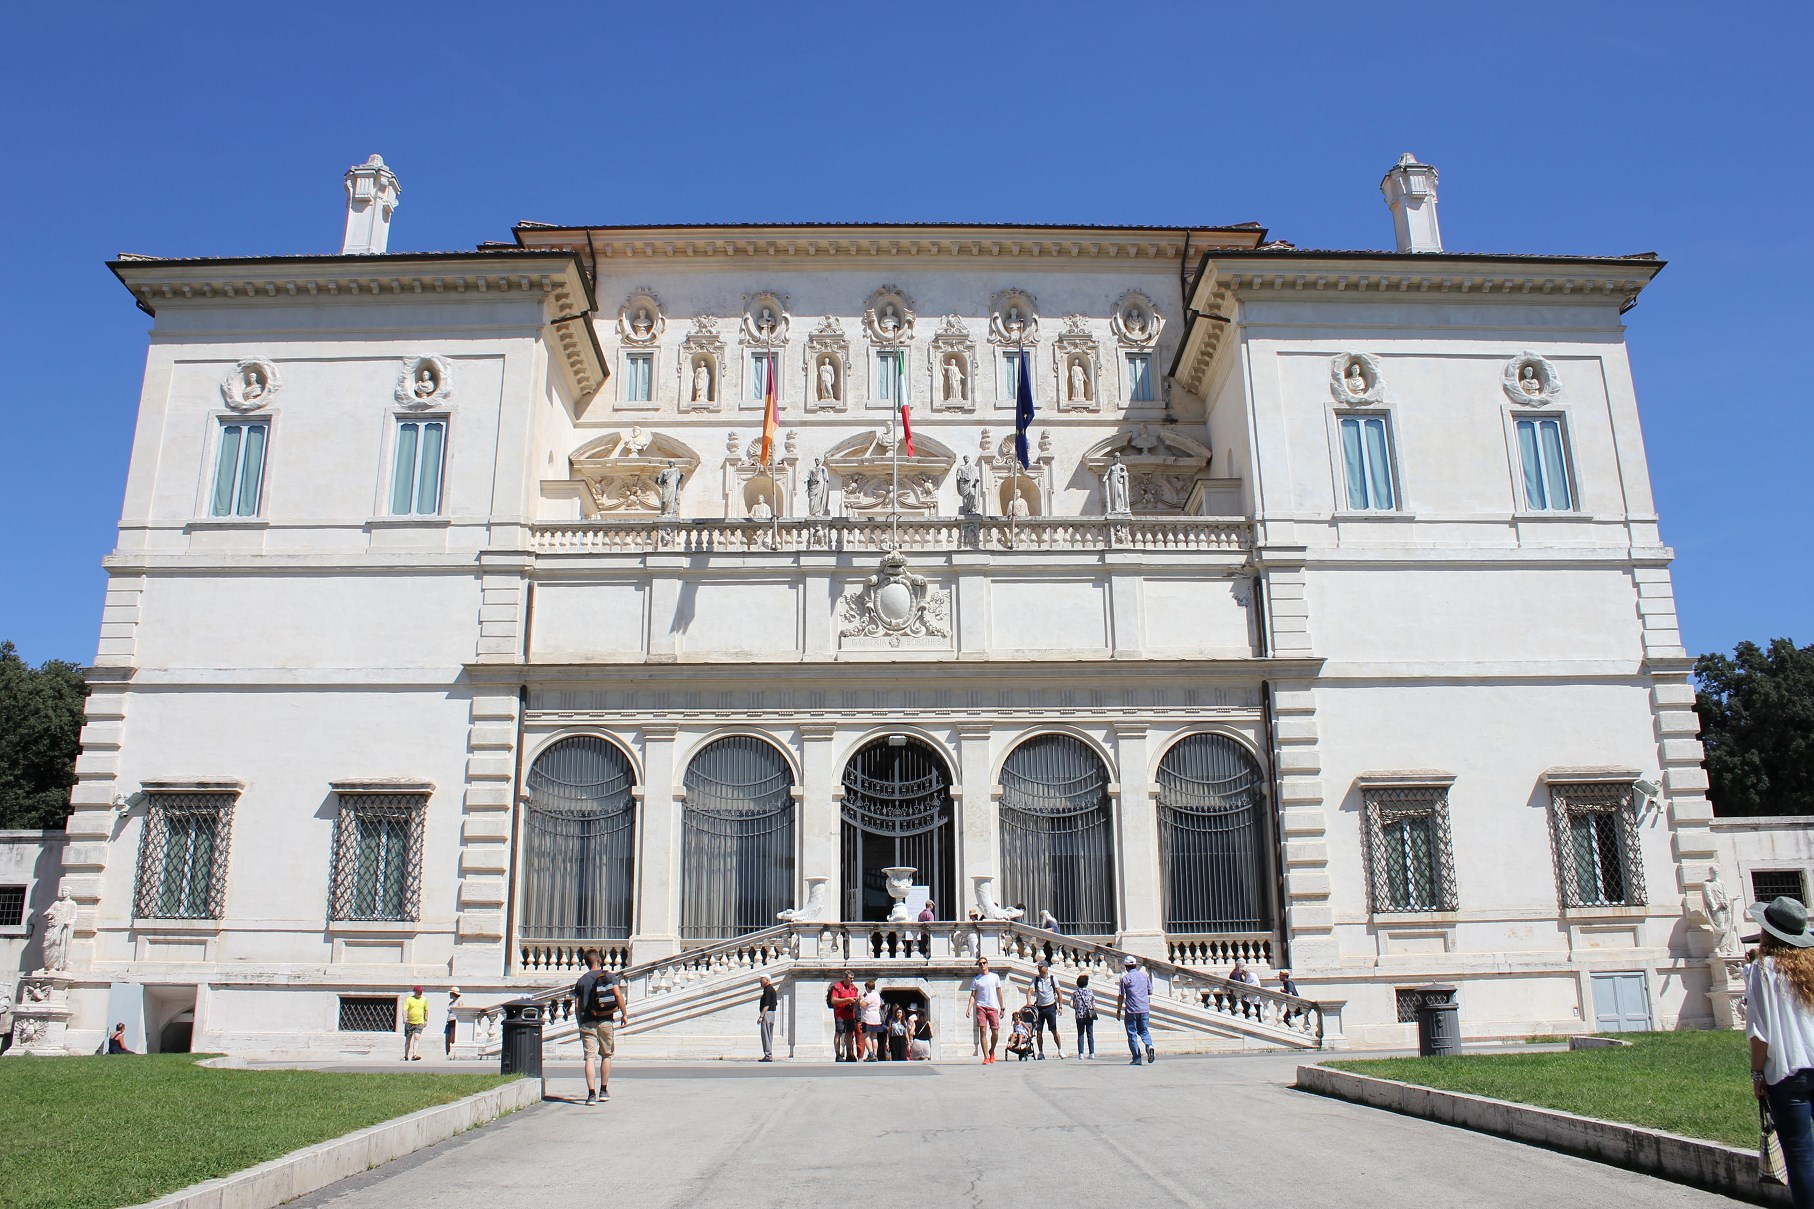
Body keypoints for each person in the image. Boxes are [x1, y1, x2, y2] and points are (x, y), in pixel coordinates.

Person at [1746, 896, 1814, 1206]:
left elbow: (1760, 1035)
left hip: (1787, 1073)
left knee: (1800, 1154)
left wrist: (1757, 1073)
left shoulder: (1762, 970)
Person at [574, 949, 627, 1104]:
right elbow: (617, 995)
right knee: (606, 1055)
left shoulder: (581, 981)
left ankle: (591, 1094)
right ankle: (603, 1090)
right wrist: (624, 1013)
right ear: (599, 960)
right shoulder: (609, 976)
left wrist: (580, 1024)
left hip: (587, 1021)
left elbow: (577, 1006)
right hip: (606, 1020)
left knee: (589, 1058)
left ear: (585, 962)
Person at [967, 955, 1007, 1064]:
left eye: (984, 963)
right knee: (983, 1030)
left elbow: (999, 993)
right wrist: (969, 1008)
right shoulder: (976, 979)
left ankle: (992, 1051)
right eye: (980, 964)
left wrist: (1002, 1006)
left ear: (987, 964)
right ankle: (985, 1056)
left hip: (993, 1006)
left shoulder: (995, 977)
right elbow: (973, 995)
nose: (982, 965)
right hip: (981, 1006)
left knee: (995, 1031)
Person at [1118, 955, 1155, 1066]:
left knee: (1132, 1033)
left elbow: (1121, 995)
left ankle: (1137, 1057)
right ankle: (1149, 1045)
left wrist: (1118, 1010)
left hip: (1131, 1009)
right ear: (1136, 965)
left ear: (1126, 966)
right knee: (1144, 1030)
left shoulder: (1125, 979)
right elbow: (1150, 991)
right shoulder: (1144, 976)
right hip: (1144, 1008)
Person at [1027, 960, 1066, 1060]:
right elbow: (1029, 991)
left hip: (1050, 1007)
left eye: (1041, 967)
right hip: (1040, 1008)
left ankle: (1060, 1049)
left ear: (1046, 968)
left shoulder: (1053, 979)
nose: (1039, 969)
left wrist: (1060, 1006)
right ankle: (1040, 1052)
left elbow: (1059, 993)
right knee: (1039, 1031)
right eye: (1038, 967)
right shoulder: (1036, 979)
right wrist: (1028, 1002)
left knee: (1053, 1030)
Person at [830, 971, 861, 1062]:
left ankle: (849, 1054)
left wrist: (855, 1002)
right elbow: (833, 1000)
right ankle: (838, 1054)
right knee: (839, 1033)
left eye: (853, 978)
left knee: (849, 1034)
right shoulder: (837, 987)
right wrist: (847, 999)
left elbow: (854, 1000)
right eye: (850, 978)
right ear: (845, 977)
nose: (852, 980)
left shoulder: (854, 988)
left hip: (850, 1013)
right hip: (840, 1013)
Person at [1072, 974, 1097, 1060]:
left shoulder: (1075, 993)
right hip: (1089, 1015)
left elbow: (1071, 1004)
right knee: (1090, 1034)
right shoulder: (1090, 992)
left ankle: (1081, 1053)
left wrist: (1076, 1007)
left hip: (1079, 1015)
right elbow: (1093, 1004)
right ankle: (1091, 1052)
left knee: (1080, 1034)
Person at [860, 980, 885, 1061]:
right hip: (876, 1018)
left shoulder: (870, 995)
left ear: (867, 987)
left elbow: (863, 1005)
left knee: (866, 1035)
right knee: (874, 1036)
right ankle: (875, 1054)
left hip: (868, 1018)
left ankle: (870, 1054)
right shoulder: (877, 995)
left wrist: (861, 999)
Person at [403, 986, 428, 1062]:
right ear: (414, 992)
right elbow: (404, 1010)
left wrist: (426, 1020)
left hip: (419, 1022)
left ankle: (414, 1055)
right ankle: (406, 1055)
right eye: (418, 992)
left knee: (417, 1038)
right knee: (408, 1038)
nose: (420, 993)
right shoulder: (409, 999)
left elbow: (426, 1010)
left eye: (421, 992)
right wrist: (404, 1018)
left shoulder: (424, 999)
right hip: (410, 1022)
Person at [757, 974, 778, 1062]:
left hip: (767, 1014)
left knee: (765, 1035)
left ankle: (768, 1055)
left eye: (762, 980)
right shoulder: (772, 989)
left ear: (767, 980)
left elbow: (766, 1004)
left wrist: (761, 1016)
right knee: (769, 1035)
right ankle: (768, 1054)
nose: (760, 982)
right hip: (772, 1014)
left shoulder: (767, 990)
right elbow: (775, 1003)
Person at [445, 987, 461, 1057]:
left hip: (454, 1021)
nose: (450, 995)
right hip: (449, 1021)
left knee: (453, 1037)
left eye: (451, 993)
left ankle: (452, 1053)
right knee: (447, 1038)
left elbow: (461, 1012)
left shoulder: (459, 1002)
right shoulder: (450, 1003)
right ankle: (448, 1053)